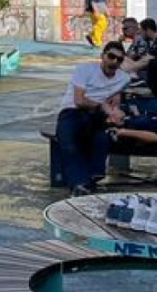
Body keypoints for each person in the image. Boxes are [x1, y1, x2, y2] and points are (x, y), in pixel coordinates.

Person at [52, 42, 138, 190]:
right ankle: (79, 181)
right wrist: (102, 106)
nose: (114, 62)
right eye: (111, 57)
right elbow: (79, 100)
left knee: (102, 136)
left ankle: (93, 175)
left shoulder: (123, 79)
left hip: (97, 114)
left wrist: (114, 111)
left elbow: (115, 97)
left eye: (119, 59)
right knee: (68, 141)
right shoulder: (84, 69)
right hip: (72, 111)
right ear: (102, 56)